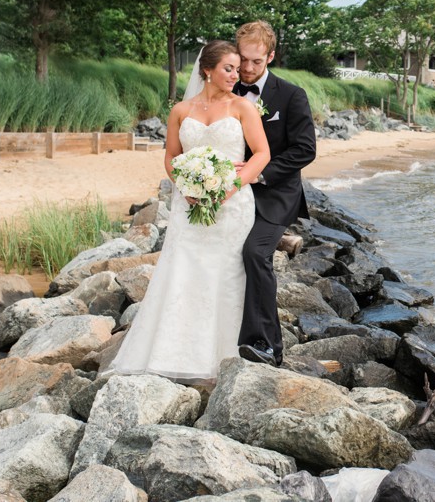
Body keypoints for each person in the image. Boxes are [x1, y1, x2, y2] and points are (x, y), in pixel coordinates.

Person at [103, 41, 270, 385]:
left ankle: (221, 357)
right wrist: (187, 188)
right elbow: (171, 158)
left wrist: (231, 185)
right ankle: (170, 353)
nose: (235, 75)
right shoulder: (181, 110)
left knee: (224, 275)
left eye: (237, 69)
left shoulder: (244, 108)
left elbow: (262, 154)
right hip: (188, 204)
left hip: (232, 205)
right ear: (206, 70)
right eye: (228, 68)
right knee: (181, 271)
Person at [233, 21, 317, 367]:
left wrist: (258, 174)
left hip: (274, 195)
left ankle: (268, 345)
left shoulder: (291, 96)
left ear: (270, 56)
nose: (248, 69)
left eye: (256, 61)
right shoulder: (226, 89)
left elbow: (304, 150)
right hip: (228, 194)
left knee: (255, 253)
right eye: (243, 61)